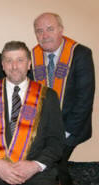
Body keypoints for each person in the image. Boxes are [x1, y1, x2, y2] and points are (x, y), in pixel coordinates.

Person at [0, 41, 65, 185]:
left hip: (35, 172)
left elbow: (56, 140)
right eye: (9, 61)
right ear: (2, 65)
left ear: (29, 64)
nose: (14, 66)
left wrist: (35, 165)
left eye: (20, 60)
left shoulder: (48, 96)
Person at [30, 12, 95, 185]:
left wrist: (63, 134)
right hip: (45, 128)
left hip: (72, 127)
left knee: (52, 163)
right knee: (53, 165)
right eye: (39, 31)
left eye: (50, 29)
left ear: (61, 30)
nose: (44, 35)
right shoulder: (33, 56)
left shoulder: (80, 54)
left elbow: (85, 99)